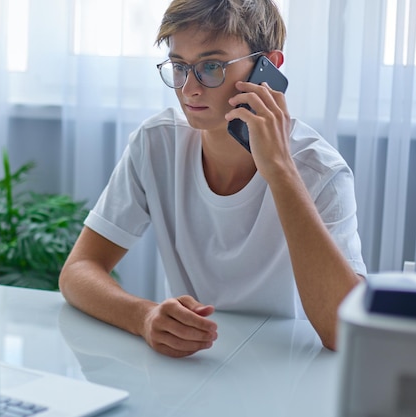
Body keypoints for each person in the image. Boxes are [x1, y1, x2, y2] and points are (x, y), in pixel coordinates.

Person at [59, 0, 366, 358]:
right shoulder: (156, 144)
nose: (189, 88)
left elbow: (345, 333)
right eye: (178, 67)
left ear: (269, 66)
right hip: (193, 367)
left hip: (292, 372)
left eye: (211, 66)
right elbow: (77, 271)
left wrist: (280, 170)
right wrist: (143, 317)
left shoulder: (321, 172)